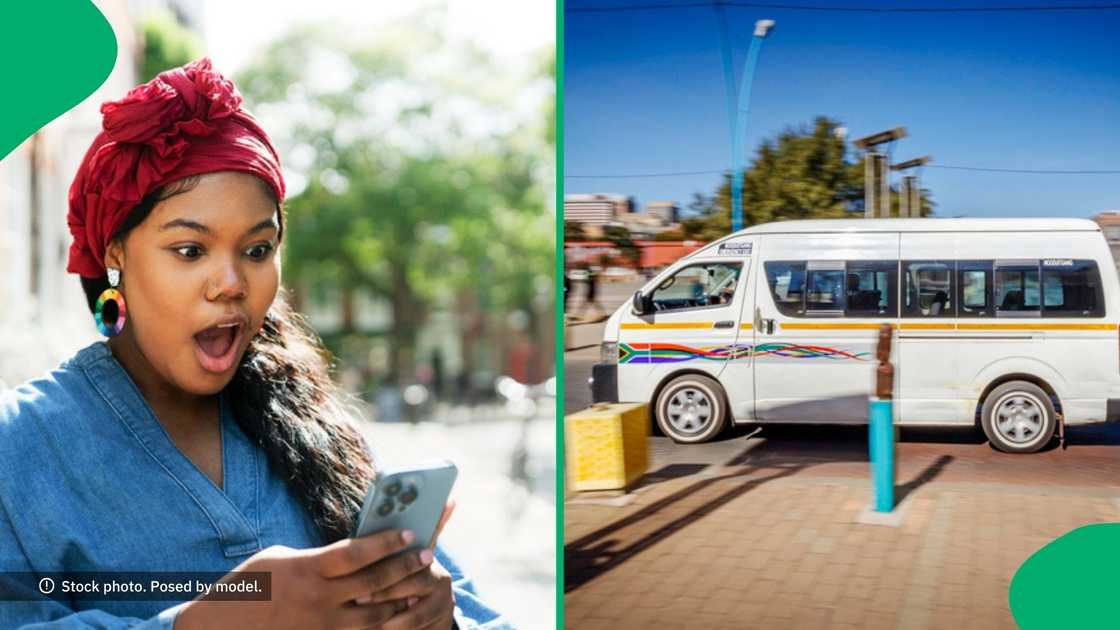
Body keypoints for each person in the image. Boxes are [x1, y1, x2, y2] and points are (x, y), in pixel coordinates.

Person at [0, 59, 510, 629]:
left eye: (258, 249)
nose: (232, 284)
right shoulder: (18, 448)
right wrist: (207, 622)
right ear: (116, 253)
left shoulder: (319, 430)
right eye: (190, 250)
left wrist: (443, 620)